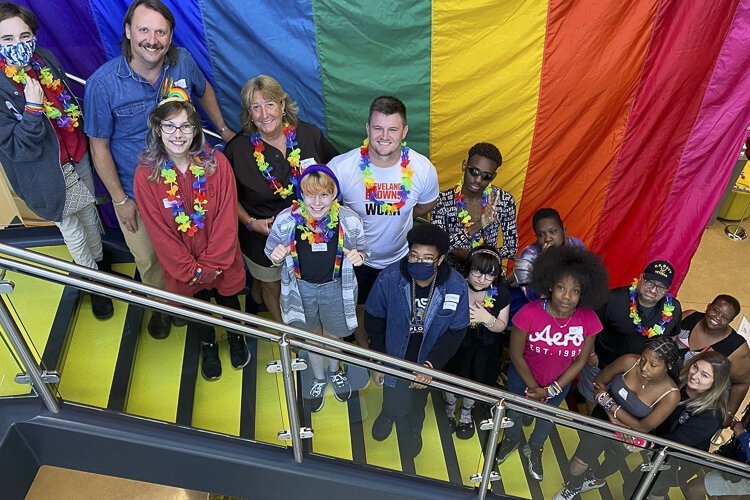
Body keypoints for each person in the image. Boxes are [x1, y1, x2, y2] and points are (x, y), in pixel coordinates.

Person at [84, 0, 235, 339]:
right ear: (127, 32)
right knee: (151, 261)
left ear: (169, 36)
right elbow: (99, 146)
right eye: (144, 29)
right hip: (138, 194)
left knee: (197, 248)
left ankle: (199, 303)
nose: (152, 39)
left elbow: (204, 89)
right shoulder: (102, 84)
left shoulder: (182, 61)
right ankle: (164, 304)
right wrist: (120, 200)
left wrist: (223, 129)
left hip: (192, 185)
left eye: (161, 31)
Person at [0, 3, 113, 319]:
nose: (17, 45)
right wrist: (33, 109)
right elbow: (17, 147)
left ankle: (100, 265)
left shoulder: (45, 60)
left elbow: (66, 105)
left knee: (90, 213)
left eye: (23, 36)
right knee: (72, 227)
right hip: (46, 170)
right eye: (6, 40)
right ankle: (95, 284)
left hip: (76, 153)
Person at [133, 92, 247, 381]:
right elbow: (159, 233)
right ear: (157, 129)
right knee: (196, 311)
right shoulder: (146, 175)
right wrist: (190, 270)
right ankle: (207, 344)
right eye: (169, 126)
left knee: (230, 302)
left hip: (221, 262)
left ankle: (236, 336)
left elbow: (225, 220)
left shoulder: (217, 164)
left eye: (186, 126)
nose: (178, 134)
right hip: (182, 270)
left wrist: (211, 265)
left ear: (196, 130)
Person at [225, 75, 338, 324]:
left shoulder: (308, 135)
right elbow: (227, 198)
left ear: (283, 105)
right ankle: (284, 330)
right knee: (272, 286)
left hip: (309, 234)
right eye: (256, 107)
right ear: (249, 113)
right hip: (261, 238)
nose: (264, 114)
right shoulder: (238, 150)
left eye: (270, 104)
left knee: (303, 282)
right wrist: (251, 223)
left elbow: (334, 172)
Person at [329, 96, 439, 346]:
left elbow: (427, 203)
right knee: (357, 307)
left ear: (405, 131)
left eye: (393, 129)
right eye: (378, 128)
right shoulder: (342, 167)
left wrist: (404, 214)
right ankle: (365, 349)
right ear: (368, 129)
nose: (384, 136)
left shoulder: (422, 169)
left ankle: (386, 351)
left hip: (399, 259)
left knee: (395, 311)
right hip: (356, 259)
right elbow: (322, 210)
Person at [495, 245, 609, 482]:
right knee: (515, 412)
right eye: (561, 288)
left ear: (583, 293)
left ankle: (535, 447)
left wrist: (551, 390)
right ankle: (512, 438)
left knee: (547, 419)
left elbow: (580, 361)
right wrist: (535, 389)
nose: (567, 296)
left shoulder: (589, 320)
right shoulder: (529, 313)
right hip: (522, 380)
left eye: (575, 291)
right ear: (549, 286)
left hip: (559, 385)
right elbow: (516, 355)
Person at [265, 164, 368, 412]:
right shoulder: (286, 220)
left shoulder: (349, 219)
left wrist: (360, 256)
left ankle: (334, 371)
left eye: (324, 194)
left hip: (336, 288)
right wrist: (275, 255)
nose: (317, 202)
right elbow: (271, 251)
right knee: (311, 335)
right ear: (301, 194)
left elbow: (364, 249)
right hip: (301, 290)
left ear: (334, 194)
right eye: (310, 194)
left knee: (334, 335)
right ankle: (319, 377)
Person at [365, 223, 468, 459]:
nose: (418, 262)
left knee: (418, 401)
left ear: (440, 260)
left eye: (427, 258)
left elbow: (456, 331)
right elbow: (374, 317)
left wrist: (432, 364)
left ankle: (414, 428)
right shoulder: (390, 277)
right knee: (392, 394)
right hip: (394, 354)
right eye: (414, 255)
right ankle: (388, 414)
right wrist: (379, 358)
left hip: (427, 359)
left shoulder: (456, 286)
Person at [553, 337, 682, 500]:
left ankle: (596, 477)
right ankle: (574, 486)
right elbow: (598, 381)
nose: (644, 368)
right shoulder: (628, 361)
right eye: (643, 359)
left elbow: (643, 427)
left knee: (612, 462)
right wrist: (612, 418)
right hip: (603, 420)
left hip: (629, 436)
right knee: (576, 466)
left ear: (669, 366)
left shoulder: (671, 395)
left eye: (653, 365)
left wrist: (611, 406)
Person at [621, 351, 731, 500]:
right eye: (695, 367)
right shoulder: (677, 382)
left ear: (716, 384)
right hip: (658, 446)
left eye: (705, 375)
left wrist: (642, 441)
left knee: (635, 486)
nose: (695, 375)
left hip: (679, 460)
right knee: (641, 486)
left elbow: (677, 442)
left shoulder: (712, 414)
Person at [578, 260, 683, 412]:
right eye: (650, 283)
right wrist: (591, 353)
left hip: (640, 373)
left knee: (623, 405)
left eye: (660, 287)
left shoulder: (673, 308)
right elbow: (589, 326)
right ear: (641, 277)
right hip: (603, 363)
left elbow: (672, 337)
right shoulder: (612, 299)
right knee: (592, 394)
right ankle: (590, 420)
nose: (653, 290)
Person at [443, 246, 510, 439]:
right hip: (456, 344)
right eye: (477, 272)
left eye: (490, 275)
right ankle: (449, 408)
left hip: (484, 348)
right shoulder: (456, 286)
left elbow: (501, 326)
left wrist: (485, 318)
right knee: (451, 376)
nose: (482, 279)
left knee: (476, 380)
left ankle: (466, 413)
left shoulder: (502, 294)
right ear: (469, 268)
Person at [429, 142, 517, 273]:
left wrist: (476, 258)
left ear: (493, 176)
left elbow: (511, 248)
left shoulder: (504, 201)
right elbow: (438, 247)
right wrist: (478, 225)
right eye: (474, 171)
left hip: (487, 274)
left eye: (486, 176)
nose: (478, 179)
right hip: (449, 274)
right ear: (464, 166)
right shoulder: (442, 201)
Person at [676, 294, 750, 426]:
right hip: (671, 385)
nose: (718, 318)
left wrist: (728, 414)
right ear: (708, 306)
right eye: (716, 310)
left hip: (701, 401)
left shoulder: (737, 348)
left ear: (730, 321)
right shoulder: (689, 316)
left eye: (725, 317)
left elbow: (742, 383)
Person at [510, 207, 584, 301]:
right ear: (536, 237)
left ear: (564, 231)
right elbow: (533, 297)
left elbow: (583, 280)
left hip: (568, 300)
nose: (547, 239)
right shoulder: (526, 258)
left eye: (553, 232)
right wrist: (546, 262)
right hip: (527, 305)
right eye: (541, 235)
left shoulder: (576, 246)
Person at [687, 403, 750, 499]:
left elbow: (744, 437)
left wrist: (742, 435)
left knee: (694, 488)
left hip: (744, 474)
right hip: (735, 460)